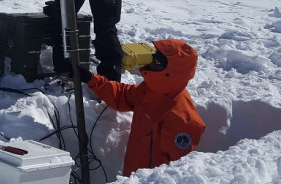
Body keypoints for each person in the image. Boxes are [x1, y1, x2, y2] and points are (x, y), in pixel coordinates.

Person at [78, 39, 206, 177]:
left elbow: (178, 173)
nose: (150, 61)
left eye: (157, 60)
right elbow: (122, 95)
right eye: (153, 55)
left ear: (171, 70)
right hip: (132, 176)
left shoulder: (182, 118)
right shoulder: (152, 90)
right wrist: (90, 79)